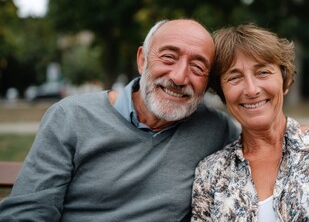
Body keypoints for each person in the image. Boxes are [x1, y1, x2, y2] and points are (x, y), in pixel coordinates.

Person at [0, 19, 239, 221]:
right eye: (168, 57)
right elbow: (27, 214)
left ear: (208, 82)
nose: (178, 77)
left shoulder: (216, 129)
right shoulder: (70, 117)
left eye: (197, 67)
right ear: (142, 60)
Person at [191, 24, 309, 221]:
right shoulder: (210, 172)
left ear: (284, 81)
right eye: (234, 77)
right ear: (223, 94)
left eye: (263, 72)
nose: (251, 89)